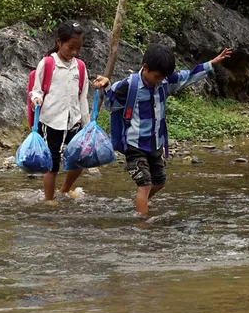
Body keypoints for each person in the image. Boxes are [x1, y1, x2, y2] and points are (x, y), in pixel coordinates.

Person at [99, 43, 232, 218]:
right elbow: (110, 105)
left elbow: (188, 76)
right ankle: (143, 224)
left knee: (159, 182)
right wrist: (105, 86)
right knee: (144, 184)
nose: (160, 80)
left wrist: (211, 63)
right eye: (157, 76)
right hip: (135, 145)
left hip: (155, 144)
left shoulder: (165, 82)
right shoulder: (129, 85)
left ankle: (139, 203)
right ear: (145, 68)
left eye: (163, 77)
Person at [29, 21, 93, 204]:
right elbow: (37, 89)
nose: (74, 52)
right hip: (51, 120)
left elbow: (82, 97)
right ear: (59, 42)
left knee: (80, 157)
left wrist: (86, 125)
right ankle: (49, 199)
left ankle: (64, 189)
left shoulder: (80, 67)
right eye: (70, 47)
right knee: (52, 162)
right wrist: (36, 98)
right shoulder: (48, 63)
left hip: (73, 120)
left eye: (78, 48)